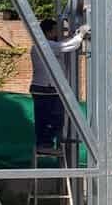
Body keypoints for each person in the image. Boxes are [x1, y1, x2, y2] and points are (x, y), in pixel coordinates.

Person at [31, 18, 87, 152]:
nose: (58, 33)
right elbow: (68, 46)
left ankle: (46, 144)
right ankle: (45, 145)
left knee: (50, 118)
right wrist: (81, 35)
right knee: (51, 118)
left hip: (46, 88)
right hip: (46, 88)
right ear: (48, 32)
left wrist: (74, 36)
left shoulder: (44, 45)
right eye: (56, 30)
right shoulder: (44, 45)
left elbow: (64, 45)